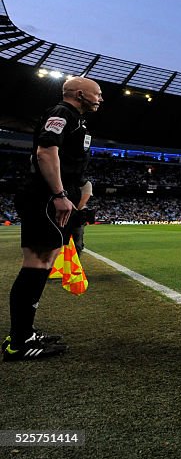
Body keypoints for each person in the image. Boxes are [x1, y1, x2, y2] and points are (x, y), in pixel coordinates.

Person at [5, 76, 103, 362]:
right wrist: (60, 194)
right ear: (80, 94)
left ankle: (24, 332)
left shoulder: (76, 120)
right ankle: (18, 342)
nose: (101, 98)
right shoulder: (61, 113)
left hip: (53, 198)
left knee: (44, 263)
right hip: (46, 199)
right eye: (97, 94)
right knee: (37, 263)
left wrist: (80, 189)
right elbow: (46, 152)